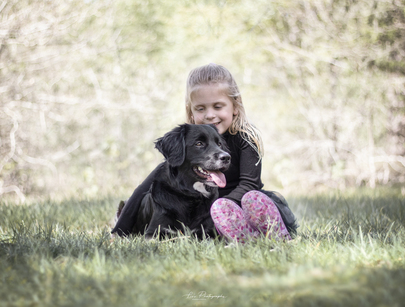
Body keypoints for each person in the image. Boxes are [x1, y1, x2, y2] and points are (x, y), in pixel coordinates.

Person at [111, 63, 298, 243]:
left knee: (253, 200)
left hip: (241, 203)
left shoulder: (247, 138)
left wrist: (219, 208)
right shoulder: (184, 144)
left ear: (235, 106)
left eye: (218, 106)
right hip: (208, 209)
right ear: (191, 112)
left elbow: (250, 183)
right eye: (201, 108)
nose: (209, 115)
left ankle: (274, 232)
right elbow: (143, 190)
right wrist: (119, 231)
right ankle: (244, 237)